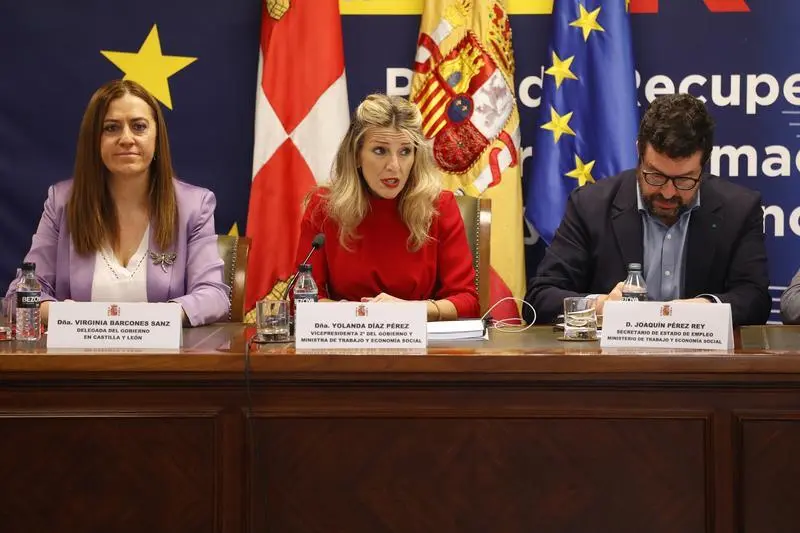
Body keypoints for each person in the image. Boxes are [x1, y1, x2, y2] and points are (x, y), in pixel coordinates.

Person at [525, 93, 771, 327]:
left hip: (702, 357)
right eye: (655, 176)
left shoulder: (739, 209)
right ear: (639, 152)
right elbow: (540, 298)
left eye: (684, 180)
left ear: (703, 164)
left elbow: (755, 299)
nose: (668, 192)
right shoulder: (590, 206)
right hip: (611, 356)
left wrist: (708, 308)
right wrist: (601, 306)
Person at [5, 79, 229, 327]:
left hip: (164, 352)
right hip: (77, 352)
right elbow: (20, 295)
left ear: (157, 137)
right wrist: (71, 316)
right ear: (94, 139)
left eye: (139, 126)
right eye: (111, 128)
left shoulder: (194, 205)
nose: (126, 138)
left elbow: (213, 296)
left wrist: (152, 319)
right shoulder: (62, 203)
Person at [294, 93, 479, 321]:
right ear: (356, 155)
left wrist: (410, 310)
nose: (394, 166)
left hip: (419, 340)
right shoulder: (324, 206)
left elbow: (467, 302)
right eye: (380, 151)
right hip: (346, 337)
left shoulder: (438, 206)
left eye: (405, 151)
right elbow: (302, 300)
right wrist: (361, 315)